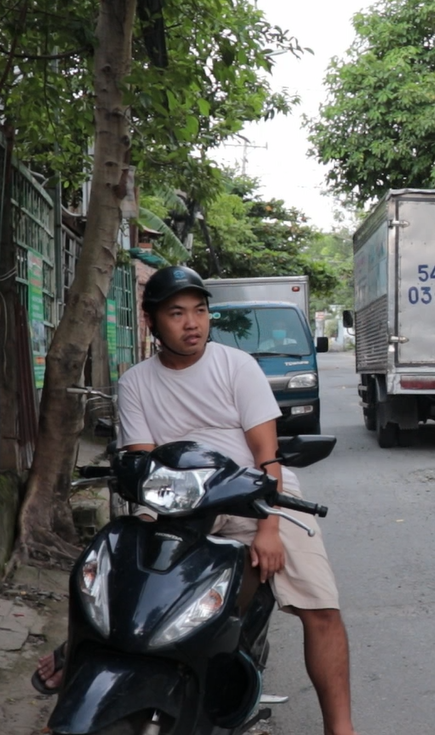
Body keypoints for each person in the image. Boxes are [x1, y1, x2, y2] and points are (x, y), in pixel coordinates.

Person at [34, 266, 359, 735]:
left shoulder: (236, 366)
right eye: (177, 313)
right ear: (152, 322)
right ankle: (82, 655)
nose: (192, 323)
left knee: (321, 609)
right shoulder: (136, 384)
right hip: (176, 506)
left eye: (200, 311)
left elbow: (267, 457)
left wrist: (268, 526)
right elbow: (142, 462)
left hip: (255, 499)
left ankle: (341, 728)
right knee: (116, 579)